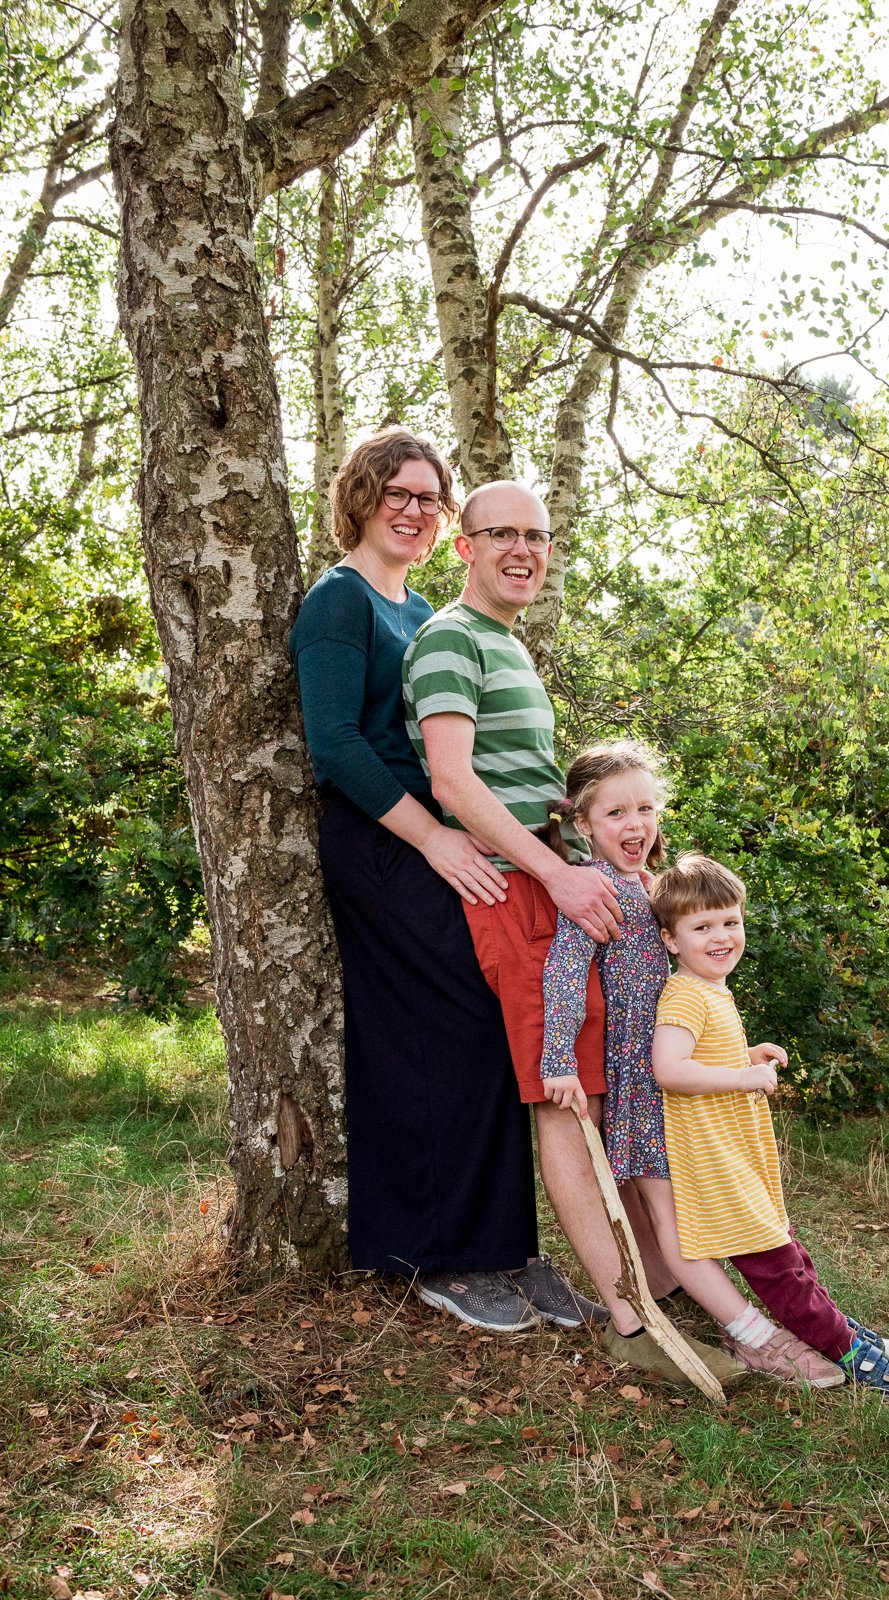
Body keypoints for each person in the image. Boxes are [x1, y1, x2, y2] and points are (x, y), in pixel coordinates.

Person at [402, 481, 747, 1391]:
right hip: (514, 889)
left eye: (536, 535)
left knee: (595, 1084)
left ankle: (657, 1279)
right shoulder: (449, 638)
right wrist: (554, 872)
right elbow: (453, 781)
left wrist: (588, 866)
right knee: (564, 1098)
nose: (522, 549)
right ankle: (628, 1318)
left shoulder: (502, 643)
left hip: (548, 884)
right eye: (500, 533)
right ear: (462, 546)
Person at [290, 429, 599, 1333]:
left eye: (430, 497)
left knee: (497, 1025)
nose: (415, 509)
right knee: (451, 1023)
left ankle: (505, 1243)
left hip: (437, 835)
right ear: (361, 496)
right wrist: (432, 838)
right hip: (384, 838)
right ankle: (438, 1255)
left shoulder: (414, 606)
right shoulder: (338, 603)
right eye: (399, 491)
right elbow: (336, 742)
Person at [539, 741, 845, 1385]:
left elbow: (689, 998)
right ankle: (757, 1339)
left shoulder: (658, 891)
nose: (634, 825)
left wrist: (739, 1053)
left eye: (645, 808)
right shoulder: (596, 891)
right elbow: (565, 976)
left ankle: (800, 1322)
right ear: (582, 824)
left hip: (687, 1091)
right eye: (615, 813)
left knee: (709, 1213)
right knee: (678, 1225)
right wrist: (559, 1056)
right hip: (644, 1091)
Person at [650, 853, 889, 1399]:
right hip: (712, 1157)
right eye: (702, 926)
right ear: (670, 940)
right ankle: (855, 1359)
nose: (721, 935)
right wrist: (743, 1074)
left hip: (732, 1150)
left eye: (730, 921)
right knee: (776, 1264)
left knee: (787, 1250)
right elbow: (669, 1068)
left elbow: (700, 1055)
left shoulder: (710, 990)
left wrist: (744, 1052)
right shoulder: (684, 994)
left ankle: (841, 1333)